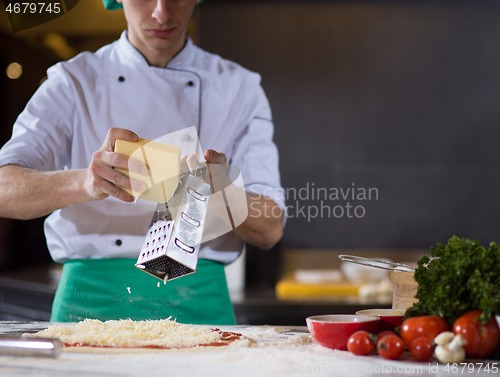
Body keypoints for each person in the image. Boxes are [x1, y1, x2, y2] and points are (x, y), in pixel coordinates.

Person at [0, 0, 285, 325]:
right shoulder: (73, 81)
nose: (162, 13)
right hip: (89, 307)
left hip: (200, 307)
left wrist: (221, 194)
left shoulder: (240, 88)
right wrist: (86, 183)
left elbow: (270, 227)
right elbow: (4, 188)